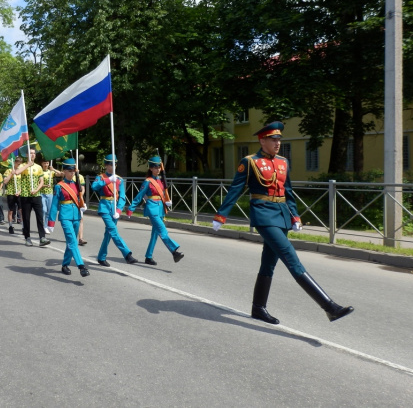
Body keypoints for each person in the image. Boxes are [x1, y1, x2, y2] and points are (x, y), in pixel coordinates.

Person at [213, 121, 354, 324]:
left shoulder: (283, 162)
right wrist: (221, 215)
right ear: (262, 141)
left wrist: (295, 216)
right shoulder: (250, 161)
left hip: (281, 215)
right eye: (273, 139)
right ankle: (329, 307)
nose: (278, 143)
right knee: (291, 258)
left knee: (268, 264)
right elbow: (236, 189)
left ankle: (258, 308)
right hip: (263, 215)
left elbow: (287, 192)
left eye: (279, 139)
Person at [126, 156, 184, 265]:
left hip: (161, 208)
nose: (157, 169)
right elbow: (139, 196)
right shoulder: (148, 181)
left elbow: (162, 194)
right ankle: (174, 251)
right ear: (151, 168)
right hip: (152, 209)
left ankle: (148, 256)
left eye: (158, 168)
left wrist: (167, 201)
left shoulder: (161, 180)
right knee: (163, 231)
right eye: (155, 168)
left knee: (155, 234)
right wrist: (131, 208)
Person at [91, 154, 138, 266]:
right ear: (106, 165)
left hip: (114, 209)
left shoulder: (119, 179)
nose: (113, 166)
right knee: (113, 230)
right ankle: (127, 254)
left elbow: (122, 196)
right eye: (111, 164)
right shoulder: (101, 177)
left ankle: (101, 257)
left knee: (108, 233)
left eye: (115, 164)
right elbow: (94, 187)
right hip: (105, 207)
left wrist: (118, 210)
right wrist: (108, 180)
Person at [47, 158, 90, 277]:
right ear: (64, 171)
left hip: (76, 215)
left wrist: (82, 205)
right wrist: (51, 223)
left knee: (71, 242)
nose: (72, 173)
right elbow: (54, 205)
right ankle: (81, 266)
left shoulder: (77, 184)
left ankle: (65, 264)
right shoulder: (59, 186)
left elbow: (79, 198)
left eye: (73, 171)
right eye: (70, 171)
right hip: (65, 216)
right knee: (72, 241)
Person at [15, 148, 51, 247]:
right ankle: (27, 238)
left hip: (36, 195)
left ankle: (42, 238)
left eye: (34, 153)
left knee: (40, 216)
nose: (32, 155)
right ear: (27, 155)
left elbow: (41, 181)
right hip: (25, 196)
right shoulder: (23, 166)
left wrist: (37, 189)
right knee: (26, 218)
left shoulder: (38, 167)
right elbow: (17, 172)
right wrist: (27, 165)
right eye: (30, 153)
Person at [2, 156, 22, 234]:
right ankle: (10, 226)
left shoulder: (21, 171)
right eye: (17, 164)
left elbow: (23, 183)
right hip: (11, 192)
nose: (18, 165)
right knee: (11, 210)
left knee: (21, 210)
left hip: (19, 192)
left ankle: (24, 226)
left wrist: (20, 191)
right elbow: (5, 181)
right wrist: (11, 174)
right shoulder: (8, 170)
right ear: (14, 163)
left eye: (20, 164)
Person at [40, 157, 55, 232]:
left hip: (50, 193)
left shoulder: (51, 172)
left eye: (47, 163)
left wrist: (53, 169)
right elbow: (38, 184)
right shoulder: (40, 172)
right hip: (42, 193)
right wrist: (45, 185)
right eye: (44, 163)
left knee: (49, 211)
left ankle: (45, 226)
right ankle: (42, 225)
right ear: (42, 164)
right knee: (44, 210)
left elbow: (61, 174)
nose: (46, 164)